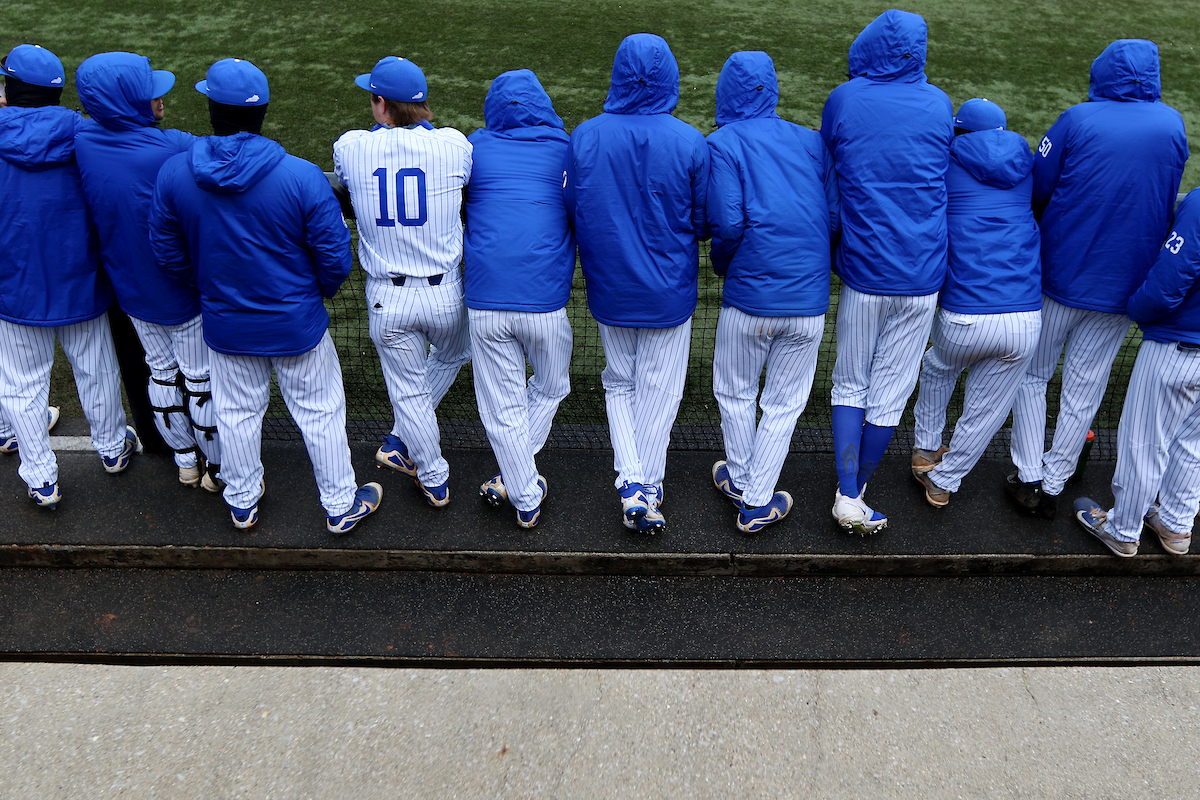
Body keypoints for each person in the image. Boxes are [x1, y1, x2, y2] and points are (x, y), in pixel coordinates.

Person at [149, 57, 381, 534]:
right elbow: (335, 255)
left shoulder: (175, 174)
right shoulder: (300, 175)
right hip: (297, 324)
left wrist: (207, 287)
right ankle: (339, 504)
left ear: (213, 110)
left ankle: (241, 500)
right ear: (263, 112)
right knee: (320, 414)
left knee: (235, 414)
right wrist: (315, 294)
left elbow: (166, 250)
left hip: (227, 323)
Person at [1007, 39, 1188, 520]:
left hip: (1059, 275)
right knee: (1085, 387)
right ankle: (1055, 480)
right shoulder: (1172, 124)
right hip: (1125, 285)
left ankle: (1027, 476)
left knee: (1032, 375)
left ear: (1103, 71)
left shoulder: (1078, 119)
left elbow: (1038, 185)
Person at [566, 33, 709, 533]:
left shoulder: (585, 136)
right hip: (669, 291)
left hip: (609, 289)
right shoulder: (690, 140)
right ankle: (647, 485)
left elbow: (572, 208)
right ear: (670, 76)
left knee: (619, 383)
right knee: (660, 391)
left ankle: (632, 481)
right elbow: (704, 218)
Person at [821, 10, 954, 533]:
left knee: (850, 384)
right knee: (891, 392)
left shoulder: (845, 99)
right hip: (923, 274)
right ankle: (853, 492)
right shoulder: (939, 102)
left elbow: (831, 160)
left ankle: (848, 493)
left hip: (864, 271)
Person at [75, 51, 222, 490]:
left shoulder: (83, 141)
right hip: (180, 286)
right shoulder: (175, 146)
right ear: (128, 100)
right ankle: (217, 468)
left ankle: (184, 462)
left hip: (130, 288)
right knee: (199, 378)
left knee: (161, 372)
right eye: (150, 93)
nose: (161, 100)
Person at [0, 44, 138, 510]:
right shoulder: (86, 133)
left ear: (11, 88)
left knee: (21, 384)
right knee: (96, 370)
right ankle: (114, 449)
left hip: (13, 287)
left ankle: (41, 480)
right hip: (81, 279)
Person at [706, 51, 838, 534]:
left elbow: (727, 221)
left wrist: (725, 266)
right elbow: (834, 218)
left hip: (748, 300)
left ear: (726, 92)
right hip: (807, 303)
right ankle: (756, 495)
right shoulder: (812, 142)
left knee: (734, 393)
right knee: (783, 405)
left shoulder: (721, 142)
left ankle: (745, 485)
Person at [333, 56, 472, 508]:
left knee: (409, 391)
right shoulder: (454, 144)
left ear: (380, 104)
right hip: (447, 294)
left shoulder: (352, 147)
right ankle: (401, 441)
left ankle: (431, 475)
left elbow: (357, 157)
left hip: (386, 300)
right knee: (455, 352)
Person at [909, 99, 1042, 507]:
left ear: (958, 131)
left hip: (965, 314)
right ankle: (944, 483)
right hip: (1025, 319)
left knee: (937, 368)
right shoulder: (1028, 168)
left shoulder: (944, 165)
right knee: (987, 409)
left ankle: (927, 450)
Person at [464, 69, 573, 529]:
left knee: (502, 407)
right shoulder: (567, 149)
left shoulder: (475, 147)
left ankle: (519, 483)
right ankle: (523, 490)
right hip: (545, 300)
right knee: (553, 385)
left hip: (486, 300)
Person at [1074, 188, 1200, 557]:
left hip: (1178, 349)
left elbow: (1170, 280)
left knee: (1144, 444)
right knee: (1193, 445)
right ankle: (1177, 527)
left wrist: (1136, 309)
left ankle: (1122, 529)